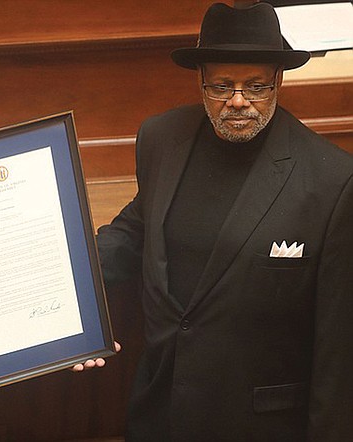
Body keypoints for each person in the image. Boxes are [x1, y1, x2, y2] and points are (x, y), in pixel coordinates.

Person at [96, 3, 353, 442]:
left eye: (255, 86)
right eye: (221, 85)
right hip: (159, 413)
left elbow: (338, 352)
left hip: (259, 426)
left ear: (278, 81)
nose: (237, 100)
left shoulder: (333, 180)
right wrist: (58, 283)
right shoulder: (161, 138)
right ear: (201, 79)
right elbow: (133, 232)